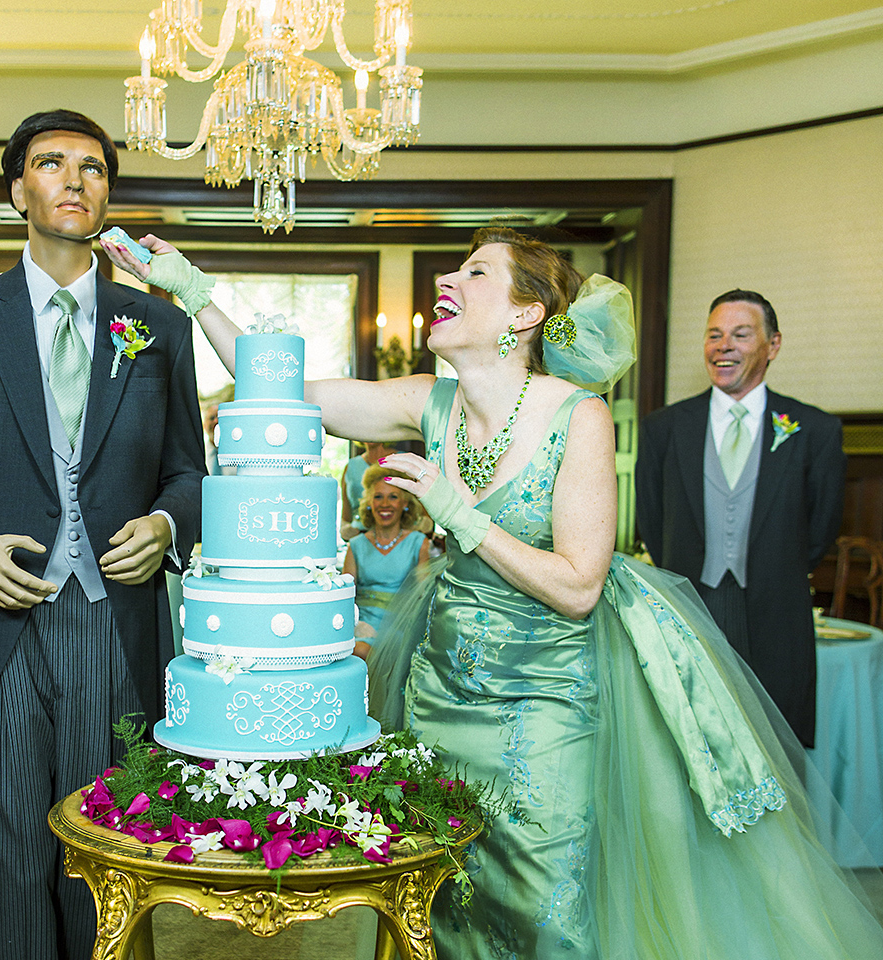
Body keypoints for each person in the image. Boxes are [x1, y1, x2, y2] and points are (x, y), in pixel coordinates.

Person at [104, 228, 883, 959]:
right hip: (441, 693)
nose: (448, 277)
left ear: (525, 313)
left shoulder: (579, 418)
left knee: (544, 904)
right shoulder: (427, 401)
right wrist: (192, 287)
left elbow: (580, 586)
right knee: (442, 896)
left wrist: (458, 516)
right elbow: (280, 384)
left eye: (475, 272)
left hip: (544, 703)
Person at [0, 109, 206, 960]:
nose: (74, 180)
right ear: (18, 188)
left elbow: (186, 472)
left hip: (113, 623)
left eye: (93, 168)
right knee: (17, 859)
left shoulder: (158, 328)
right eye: (51, 164)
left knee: (108, 854)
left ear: (107, 193)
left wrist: (167, 522)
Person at [635, 290, 844, 748]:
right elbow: (650, 519)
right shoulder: (663, 429)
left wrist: (774, 566)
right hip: (690, 611)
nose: (722, 345)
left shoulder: (814, 431)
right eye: (714, 335)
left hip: (777, 618)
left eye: (740, 335)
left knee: (777, 752)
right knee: (689, 746)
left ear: (773, 345)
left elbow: (822, 526)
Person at [342, 465, 429, 657]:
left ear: (405, 503)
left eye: (393, 497)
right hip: (362, 624)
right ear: (369, 503)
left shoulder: (419, 542)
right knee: (357, 649)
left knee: (370, 653)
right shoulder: (355, 545)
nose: (385, 504)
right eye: (378, 497)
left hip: (400, 624)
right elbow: (345, 596)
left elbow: (423, 595)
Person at [341, 441, 398, 539]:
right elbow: (346, 514)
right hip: (359, 537)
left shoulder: (401, 460)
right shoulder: (351, 466)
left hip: (397, 537)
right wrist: (345, 530)